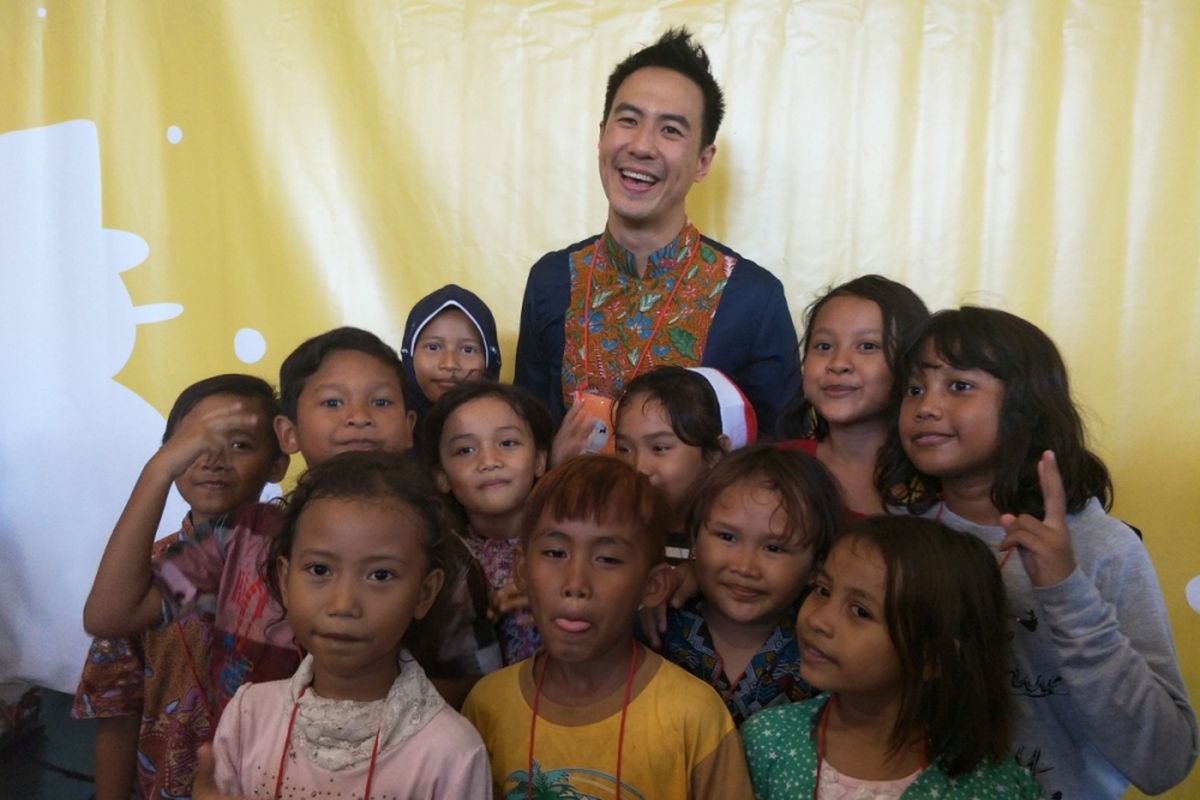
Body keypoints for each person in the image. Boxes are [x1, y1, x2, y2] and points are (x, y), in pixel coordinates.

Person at [877, 306, 1198, 798]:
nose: (926, 406)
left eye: (959, 386)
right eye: (915, 389)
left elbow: (1165, 761)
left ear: (1026, 408)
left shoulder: (1102, 547)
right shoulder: (898, 531)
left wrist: (1068, 592)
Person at [514, 27, 799, 449]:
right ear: (600, 136)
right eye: (628, 121)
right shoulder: (552, 281)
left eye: (670, 130)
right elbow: (525, 440)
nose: (642, 146)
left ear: (703, 160)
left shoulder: (754, 299)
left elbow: (781, 460)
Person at [462, 456, 754, 799]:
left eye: (608, 559)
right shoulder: (488, 705)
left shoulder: (693, 716)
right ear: (522, 571)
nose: (576, 583)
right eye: (555, 553)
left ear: (653, 585)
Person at [211, 450, 491, 797]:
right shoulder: (249, 716)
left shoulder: (449, 751)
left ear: (425, 592)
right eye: (319, 570)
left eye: (380, 575)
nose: (343, 604)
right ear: (285, 580)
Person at [72, 374, 288, 800]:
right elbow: (117, 708)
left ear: (278, 463)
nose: (213, 460)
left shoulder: (297, 560)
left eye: (240, 445)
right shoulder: (137, 575)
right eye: (193, 443)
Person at [743, 516, 1044, 798]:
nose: (818, 620)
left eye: (860, 611)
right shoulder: (769, 740)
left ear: (932, 659)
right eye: (822, 590)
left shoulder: (995, 786)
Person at [659, 445, 842, 726]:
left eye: (773, 548)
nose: (745, 567)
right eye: (727, 537)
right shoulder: (656, 630)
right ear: (694, 538)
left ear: (816, 565)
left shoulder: (824, 650)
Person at [421, 381, 554, 665]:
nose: (489, 460)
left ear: (539, 461)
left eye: (507, 443)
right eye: (465, 450)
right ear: (441, 477)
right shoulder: (442, 562)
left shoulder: (576, 545)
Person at [777, 275, 929, 515]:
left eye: (867, 346)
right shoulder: (775, 469)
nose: (838, 364)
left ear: (911, 364)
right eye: (824, 346)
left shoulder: (941, 479)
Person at [614, 365, 754, 558]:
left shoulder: (729, 555)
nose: (638, 467)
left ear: (715, 454)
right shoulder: (612, 532)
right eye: (624, 449)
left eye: (660, 448)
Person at [400, 284, 502, 442]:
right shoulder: (391, 429)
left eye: (467, 350)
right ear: (409, 354)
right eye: (433, 347)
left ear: (490, 359)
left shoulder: (509, 427)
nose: (449, 364)